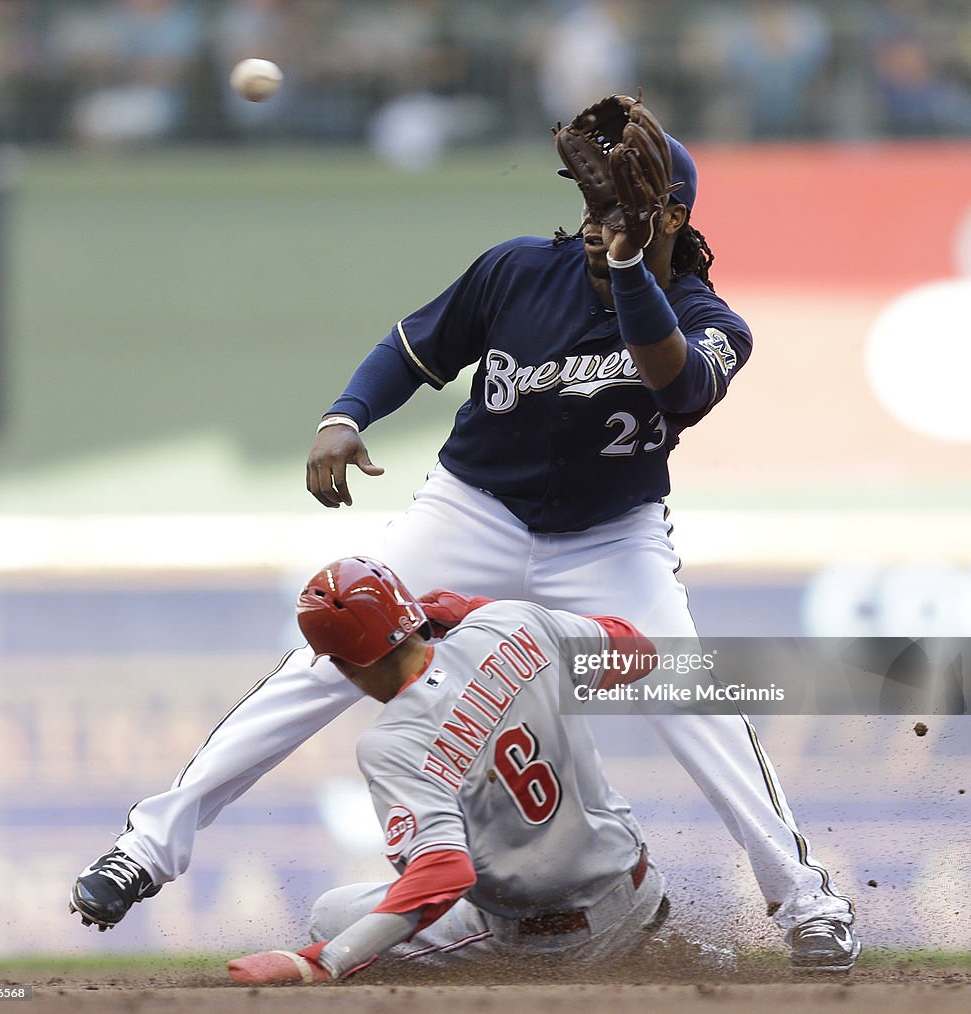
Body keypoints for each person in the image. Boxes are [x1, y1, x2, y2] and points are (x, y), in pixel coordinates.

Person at [69, 94, 860, 973]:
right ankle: (145, 846)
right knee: (322, 664)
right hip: (472, 509)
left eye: (625, 207)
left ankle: (807, 905)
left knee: (693, 693)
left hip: (610, 541)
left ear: (672, 216)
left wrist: (637, 269)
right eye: (593, 204)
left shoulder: (713, 322)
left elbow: (676, 388)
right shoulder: (519, 270)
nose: (600, 221)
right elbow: (416, 349)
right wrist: (345, 413)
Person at [227, 556, 670, 985]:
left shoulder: (392, 743)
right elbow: (639, 652)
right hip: (639, 889)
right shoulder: (512, 622)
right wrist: (477, 610)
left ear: (346, 663)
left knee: (333, 918)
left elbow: (444, 872)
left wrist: (328, 960)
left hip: (552, 942)